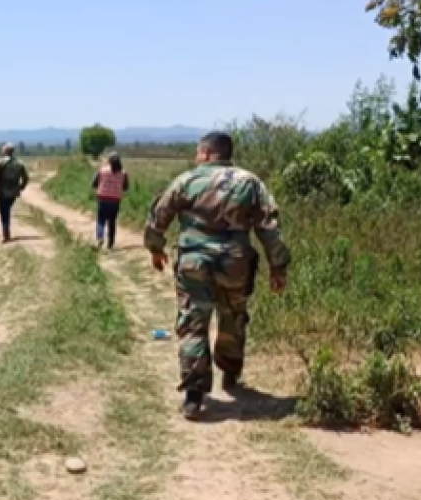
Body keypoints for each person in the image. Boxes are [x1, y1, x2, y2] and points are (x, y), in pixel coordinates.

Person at [144, 131, 291, 420]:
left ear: (209, 154)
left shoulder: (186, 180)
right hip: (235, 262)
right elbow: (269, 227)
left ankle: (194, 394)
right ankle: (230, 370)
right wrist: (278, 266)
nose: (197, 157)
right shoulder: (250, 182)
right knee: (233, 316)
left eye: (199, 152)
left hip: (194, 263)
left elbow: (158, 217)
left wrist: (155, 249)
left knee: (193, 322)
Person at [0, 143, 29, 243]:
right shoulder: (19, 163)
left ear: (5, 151)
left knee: (3, 212)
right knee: (7, 209)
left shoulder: (0, 162)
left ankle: (6, 233)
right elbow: (26, 178)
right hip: (14, 192)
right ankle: (6, 232)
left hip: (2, 191)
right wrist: (21, 187)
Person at [91, 151, 129, 249]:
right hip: (115, 200)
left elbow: (94, 184)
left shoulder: (102, 170)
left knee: (100, 220)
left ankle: (100, 238)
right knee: (112, 221)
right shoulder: (124, 173)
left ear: (109, 161)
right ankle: (110, 244)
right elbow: (125, 188)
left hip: (102, 198)